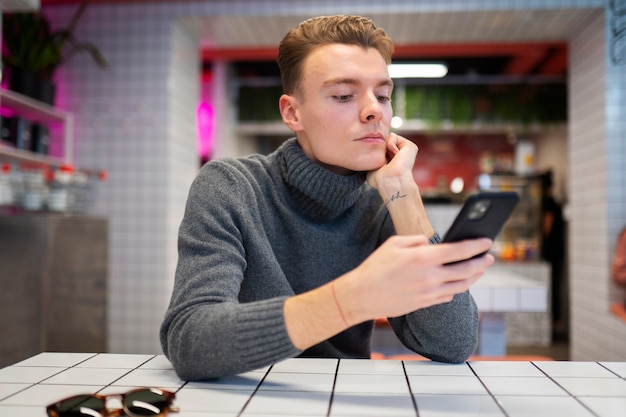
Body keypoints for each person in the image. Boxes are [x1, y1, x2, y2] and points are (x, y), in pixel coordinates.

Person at [160, 15, 494, 381]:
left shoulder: (380, 206)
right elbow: (191, 341)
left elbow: (454, 343)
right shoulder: (231, 187)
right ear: (293, 112)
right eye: (344, 96)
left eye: (383, 95)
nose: (374, 111)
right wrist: (352, 298)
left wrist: (405, 193)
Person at [539, 170, 566, 339]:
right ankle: (555, 325)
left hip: (552, 253)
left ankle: (555, 326)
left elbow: (546, 228)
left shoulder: (549, 203)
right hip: (555, 252)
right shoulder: (553, 202)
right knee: (554, 288)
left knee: (553, 288)